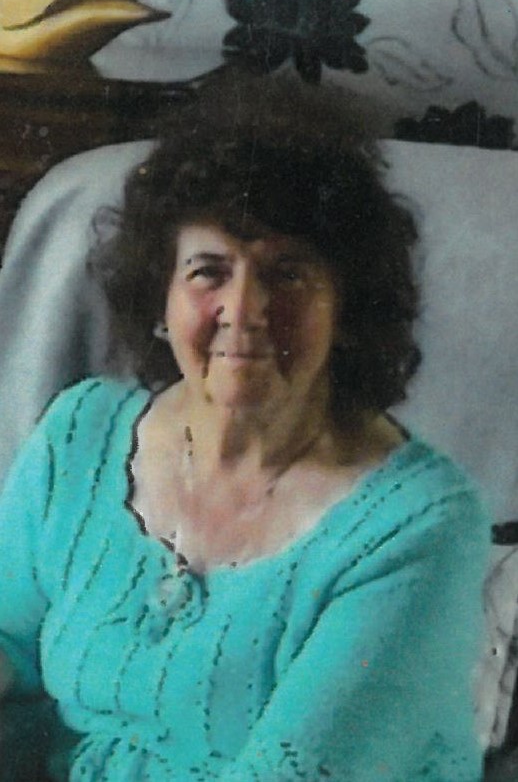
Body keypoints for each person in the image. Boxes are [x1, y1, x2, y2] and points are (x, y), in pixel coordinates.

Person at [0, 72, 488, 781]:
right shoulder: (81, 434)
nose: (245, 310)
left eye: (287, 273)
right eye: (209, 271)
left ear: (347, 306)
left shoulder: (418, 528)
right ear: (161, 298)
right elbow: (10, 644)